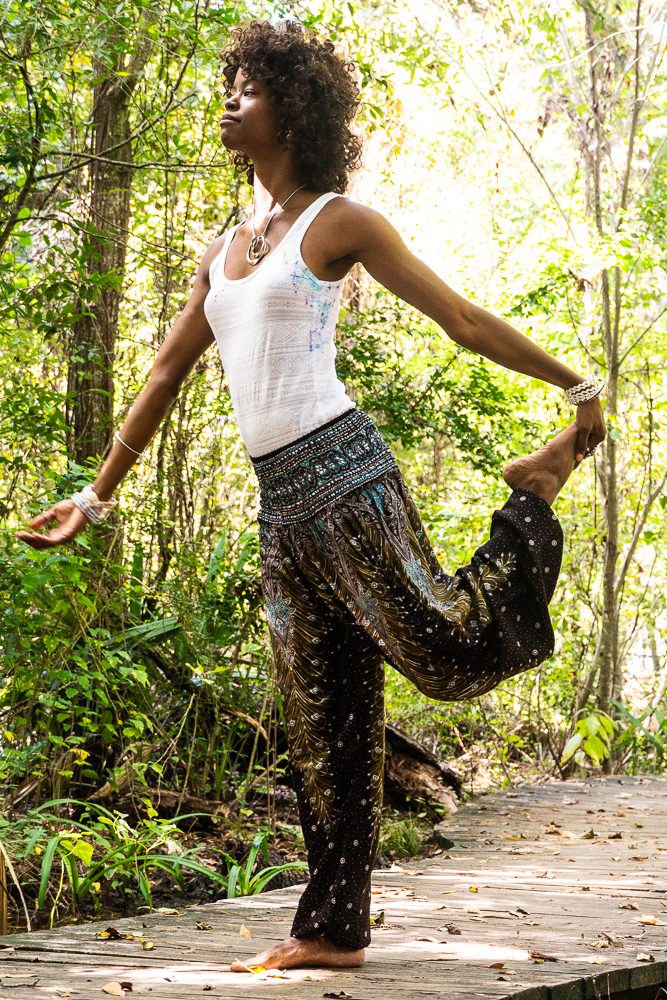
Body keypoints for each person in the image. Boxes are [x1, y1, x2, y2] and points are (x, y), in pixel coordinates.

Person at [18, 19, 606, 973]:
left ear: (291, 107)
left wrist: (574, 389)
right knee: (322, 718)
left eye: (245, 88)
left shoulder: (339, 222)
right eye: (227, 84)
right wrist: (94, 497)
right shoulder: (222, 249)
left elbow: (457, 318)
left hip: (344, 478)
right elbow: (165, 373)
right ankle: (331, 928)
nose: (227, 100)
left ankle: (535, 489)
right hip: (277, 505)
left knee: (446, 652)